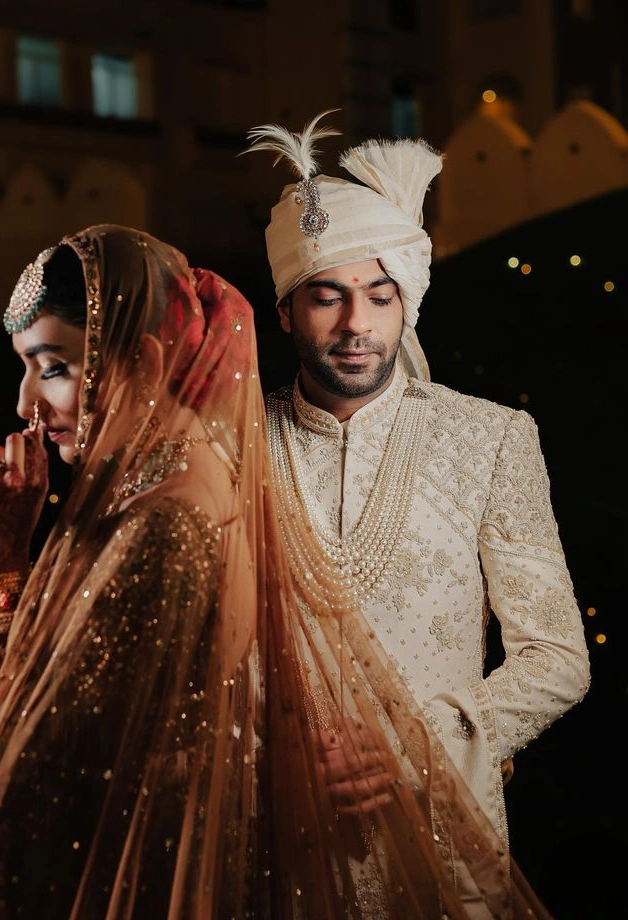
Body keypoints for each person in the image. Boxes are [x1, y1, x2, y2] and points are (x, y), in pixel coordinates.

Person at [242, 111, 591, 918]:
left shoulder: (490, 438)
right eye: (327, 297)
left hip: (443, 832)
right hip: (277, 828)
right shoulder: (236, 448)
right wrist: (278, 757)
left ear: (407, 301)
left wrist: (414, 746)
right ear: (287, 310)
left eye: (378, 294)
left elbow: (556, 656)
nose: (358, 324)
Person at [0, 225, 273, 919]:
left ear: (140, 361)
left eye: (52, 367)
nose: (25, 405)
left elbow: (27, 782)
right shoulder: (162, 487)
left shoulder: (164, 526)